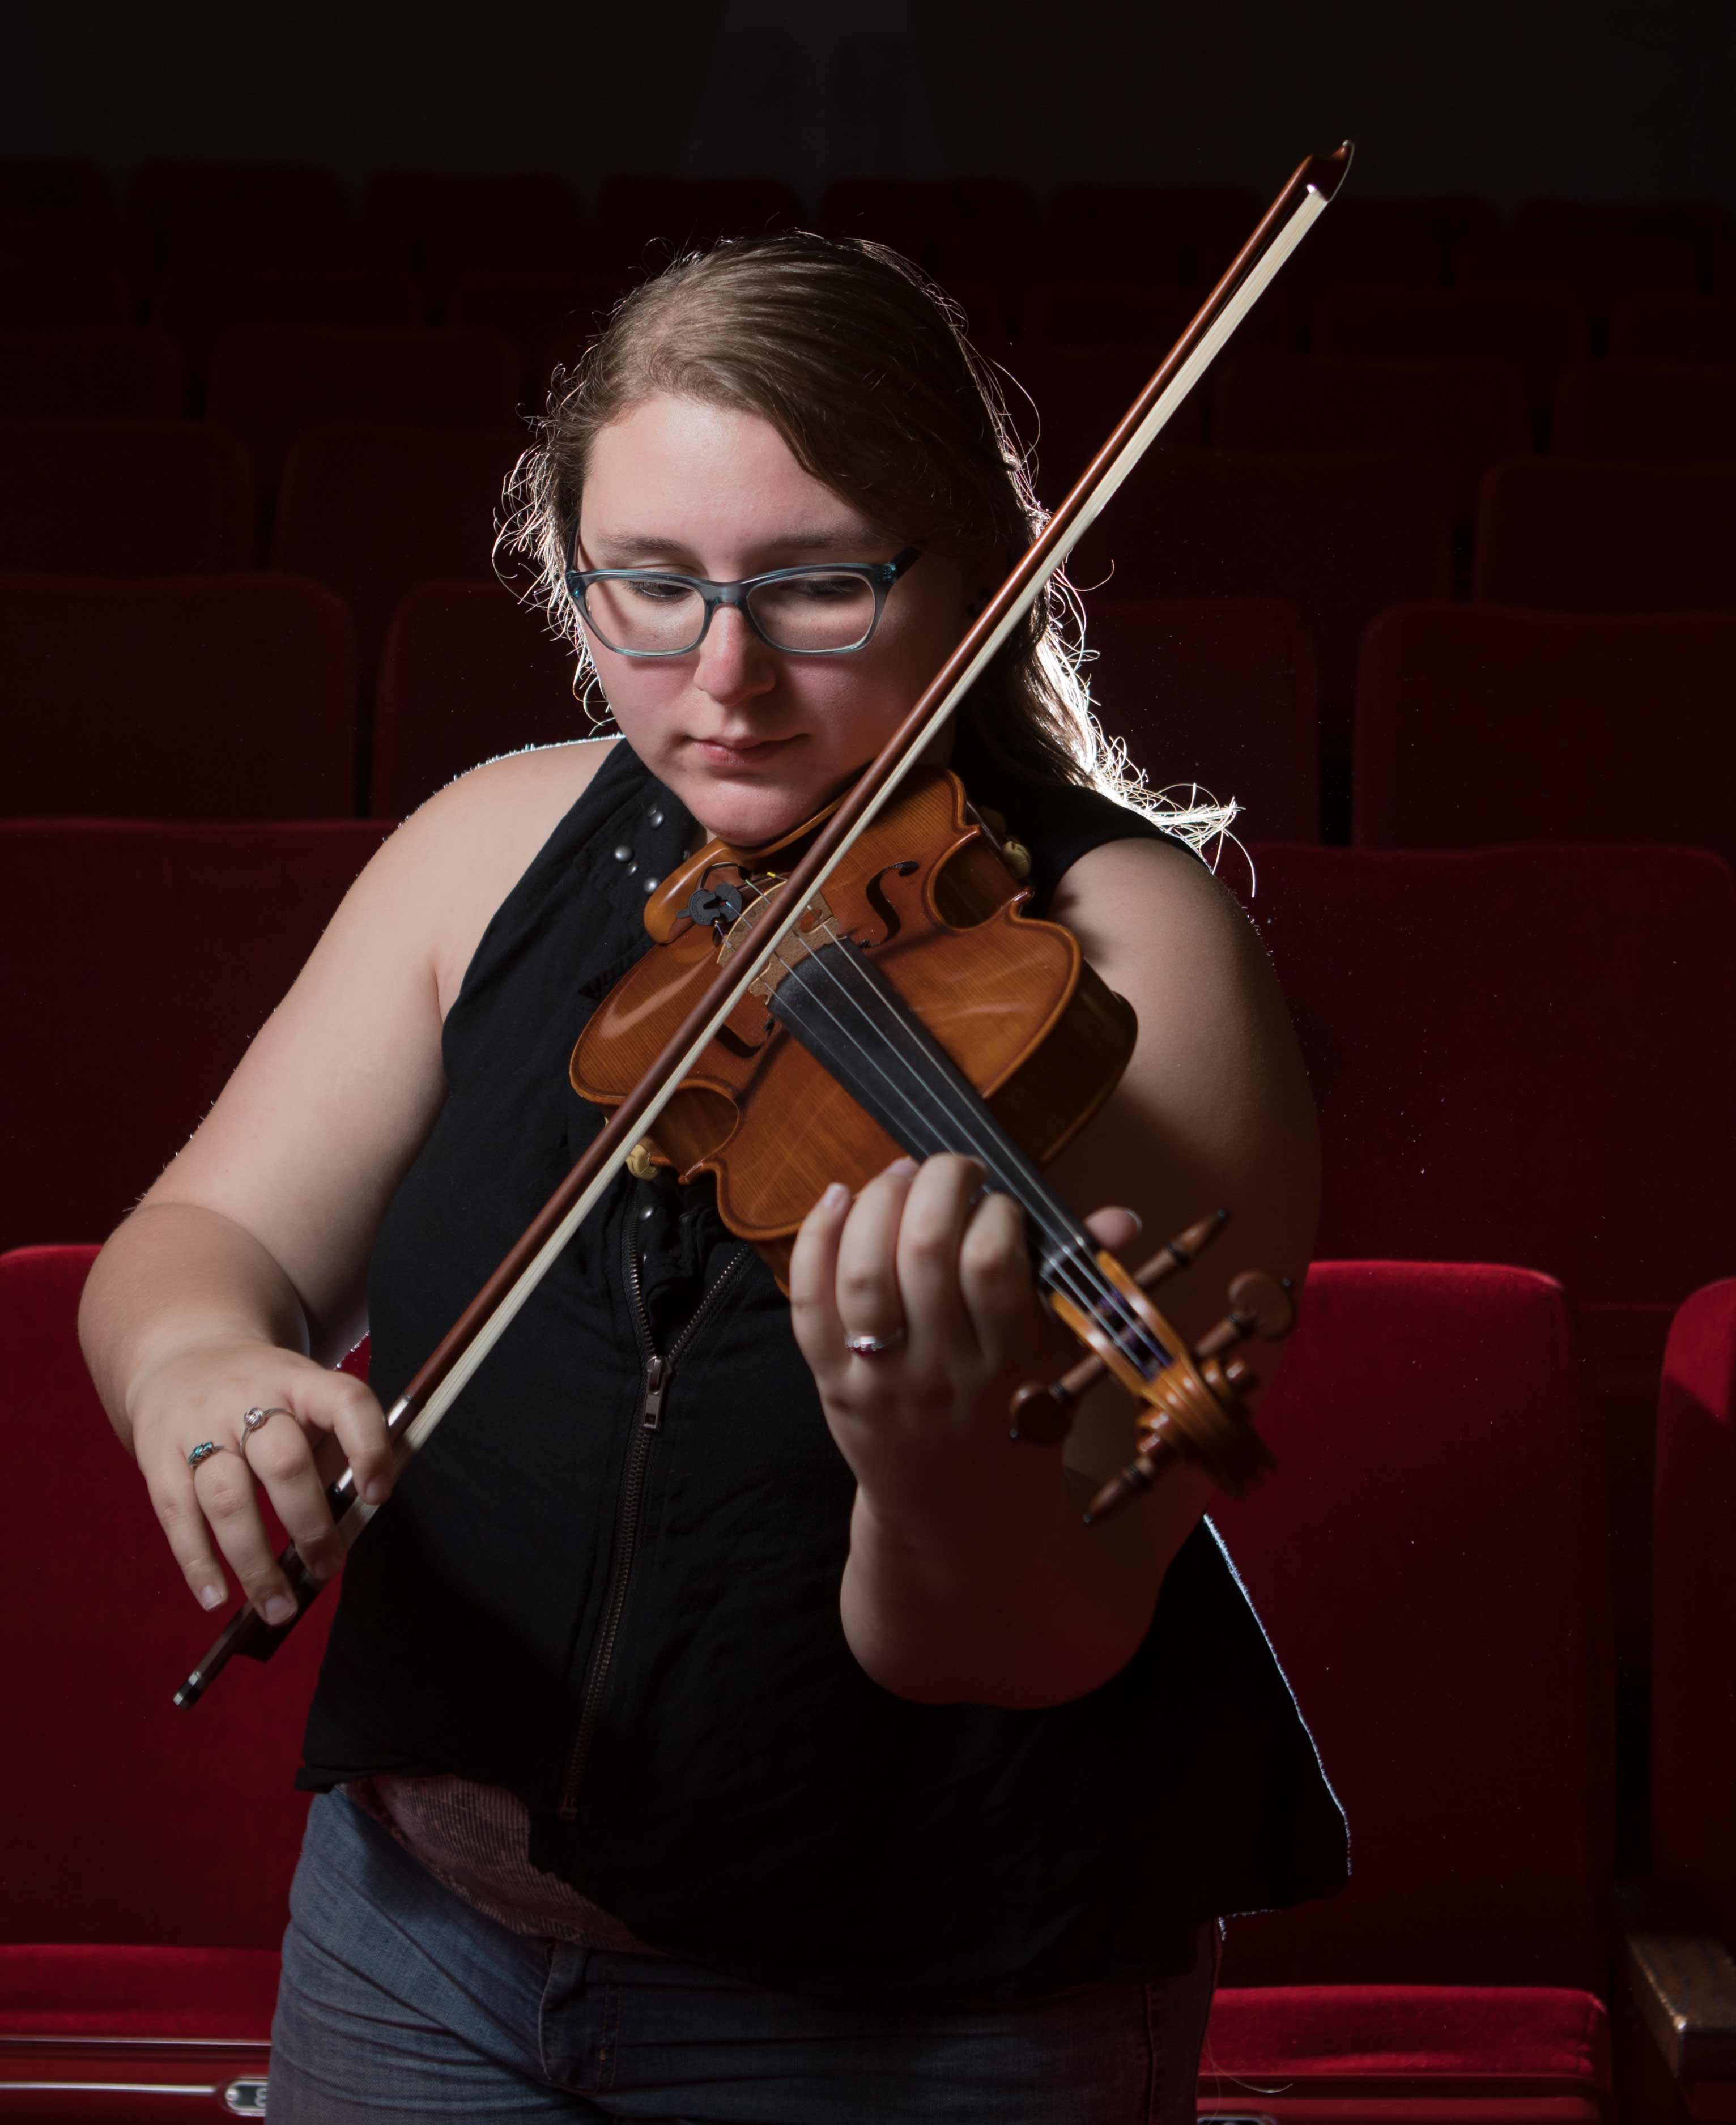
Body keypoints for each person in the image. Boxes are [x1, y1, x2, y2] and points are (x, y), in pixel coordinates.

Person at [79, 232, 1344, 2122]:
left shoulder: (1133, 956)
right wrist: (202, 1371)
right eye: (649, 591)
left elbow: (1045, 1631)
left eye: (818, 588)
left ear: (976, 571)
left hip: (932, 2016)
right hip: (419, 1947)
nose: (724, 678)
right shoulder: (488, 846)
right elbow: (205, 1241)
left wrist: (934, 1478)